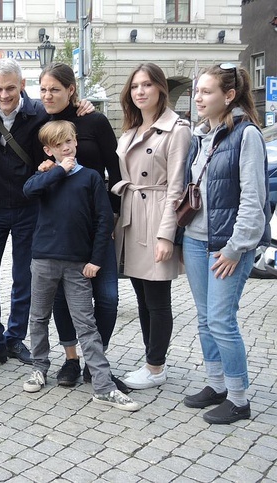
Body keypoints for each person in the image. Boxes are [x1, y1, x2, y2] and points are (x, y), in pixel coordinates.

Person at [0, 59, 95, 371]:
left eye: (10, 88)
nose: (4, 95)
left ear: (22, 85)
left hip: (28, 209)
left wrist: (83, 105)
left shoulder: (38, 111)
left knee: (24, 278)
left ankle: (15, 337)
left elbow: (65, 114)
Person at [21, 121, 141, 412]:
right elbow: (28, 192)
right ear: (49, 150)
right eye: (59, 144)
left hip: (77, 264)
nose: (67, 147)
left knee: (86, 325)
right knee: (38, 317)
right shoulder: (46, 175)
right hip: (44, 259)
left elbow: (103, 221)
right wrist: (57, 169)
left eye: (70, 141)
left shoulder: (89, 177)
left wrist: (96, 260)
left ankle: (102, 386)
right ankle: (39, 366)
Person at [181, 63, 270, 424]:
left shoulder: (246, 134)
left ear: (229, 96)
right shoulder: (201, 134)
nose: (198, 98)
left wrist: (236, 248)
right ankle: (216, 385)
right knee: (204, 319)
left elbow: (253, 199)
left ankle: (238, 398)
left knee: (221, 320)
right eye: (197, 91)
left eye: (207, 92)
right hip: (195, 239)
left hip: (227, 245)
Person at [36, 63, 125, 390]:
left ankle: (95, 359)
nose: (47, 95)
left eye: (55, 89)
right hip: (59, 226)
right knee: (61, 297)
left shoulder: (95, 120)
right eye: (43, 89)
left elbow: (114, 170)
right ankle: (72, 359)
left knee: (108, 297)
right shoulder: (39, 122)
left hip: (97, 221)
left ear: (72, 90)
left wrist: (114, 216)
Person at [112, 63, 191, 390]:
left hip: (157, 216)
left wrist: (166, 235)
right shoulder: (130, 129)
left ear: (160, 88)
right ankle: (151, 361)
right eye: (134, 87)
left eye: (146, 85)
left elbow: (177, 186)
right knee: (142, 297)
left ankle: (155, 367)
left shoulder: (177, 129)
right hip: (131, 218)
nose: (140, 91)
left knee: (158, 299)